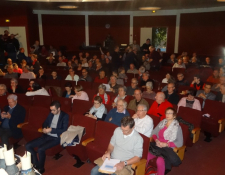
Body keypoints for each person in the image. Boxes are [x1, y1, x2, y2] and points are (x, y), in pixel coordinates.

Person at [25, 101, 69, 174]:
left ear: (59, 109)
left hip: (57, 138)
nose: (51, 112)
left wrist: (51, 130)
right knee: (28, 145)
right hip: (47, 135)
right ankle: (35, 162)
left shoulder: (65, 116)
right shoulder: (51, 114)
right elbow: (45, 123)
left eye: (53, 110)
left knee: (40, 149)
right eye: (51, 110)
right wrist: (44, 128)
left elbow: (64, 129)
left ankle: (41, 168)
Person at [147, 107, 183, 175]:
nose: (167, 114)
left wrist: (166, 144)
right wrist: (156, 140)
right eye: (166, 113)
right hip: (157, 145)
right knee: (147, 155)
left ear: (174, 116)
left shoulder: (177, 127)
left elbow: (180, 143)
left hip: (166, 148)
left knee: (159, 160)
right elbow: (154, 133)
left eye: (170, 113)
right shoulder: (162, 122)